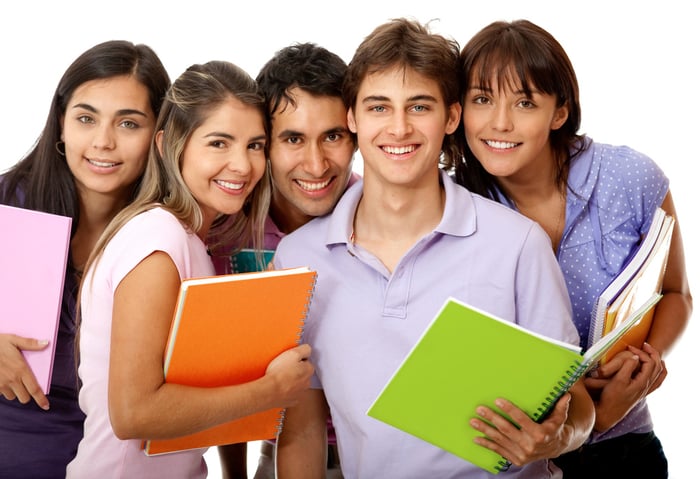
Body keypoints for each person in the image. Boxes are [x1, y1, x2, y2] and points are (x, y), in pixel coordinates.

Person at [274, 18, 594, 479]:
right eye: (379, 108)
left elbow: (578, 404)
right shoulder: (299, 258)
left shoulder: (518, 244)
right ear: (352, 118)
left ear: (451, 117)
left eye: (419, 107)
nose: (399, 128)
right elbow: (302, 427)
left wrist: (556, 437)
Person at [454, 19, 692, 479]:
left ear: (559, 112)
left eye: (525, 102)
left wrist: (646, 361)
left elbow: (677, 293)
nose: (499, 122)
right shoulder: (454, 204)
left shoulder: (631, 177)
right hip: (510, 458)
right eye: (482, 99)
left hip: (625, 444)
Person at [66, 60, 314, 478]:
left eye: (254, 145)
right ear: (169, 145)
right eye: (219, 143)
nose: (242, 165)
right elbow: (134, 414)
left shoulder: (190, 242)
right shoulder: (156, 238)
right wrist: (270, 391)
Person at [0, 40, 170, 479]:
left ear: (160, 135)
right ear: (61, 123)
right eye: (85, 118)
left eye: (128, 123)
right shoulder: (8, 204)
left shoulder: (169, 236)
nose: (103, 142)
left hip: (113, 460)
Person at [213, 42, 358, 479]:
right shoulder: (224, 233)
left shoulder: (382, 217)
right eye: (293, 139)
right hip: (279, 454)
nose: (316, 164)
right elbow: (219, 367)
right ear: (264, 144)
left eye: (332, 136)